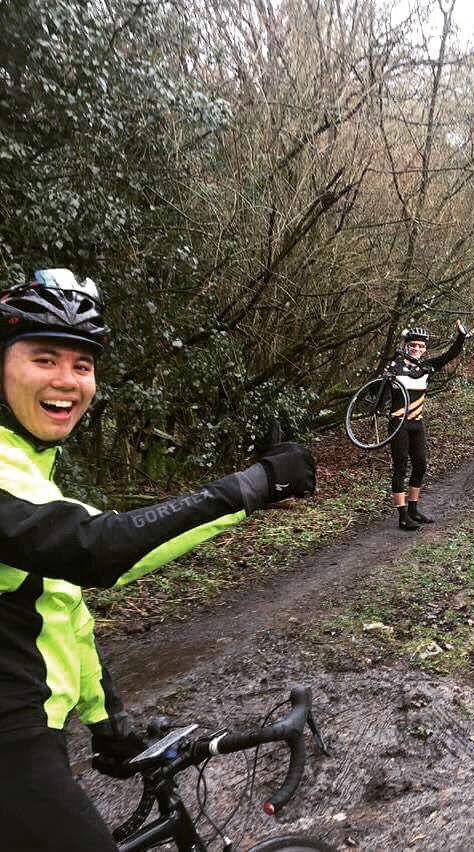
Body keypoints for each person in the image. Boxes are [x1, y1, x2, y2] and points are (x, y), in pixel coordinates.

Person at [0, 268, 316, 851]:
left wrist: (106, 719)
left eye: (82, 365)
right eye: (44, 358)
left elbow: (63, 605)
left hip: (31, 730)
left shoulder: (29, 473)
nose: (67, 380)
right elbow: (101, 549)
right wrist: (248, 487)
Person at [387, 319, 467, 530]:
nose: (417, 348)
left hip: (417, 423)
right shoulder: (396, 365)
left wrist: (461, 336)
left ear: (425, 349)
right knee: (400, 468)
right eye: (413, 345)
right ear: (407, 346)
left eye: (421, 346)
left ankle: (413, 509)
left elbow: (450, 355)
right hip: (398, 424)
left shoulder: (426, 367)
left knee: (420, 465)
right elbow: (376, 392)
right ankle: (402, 515)